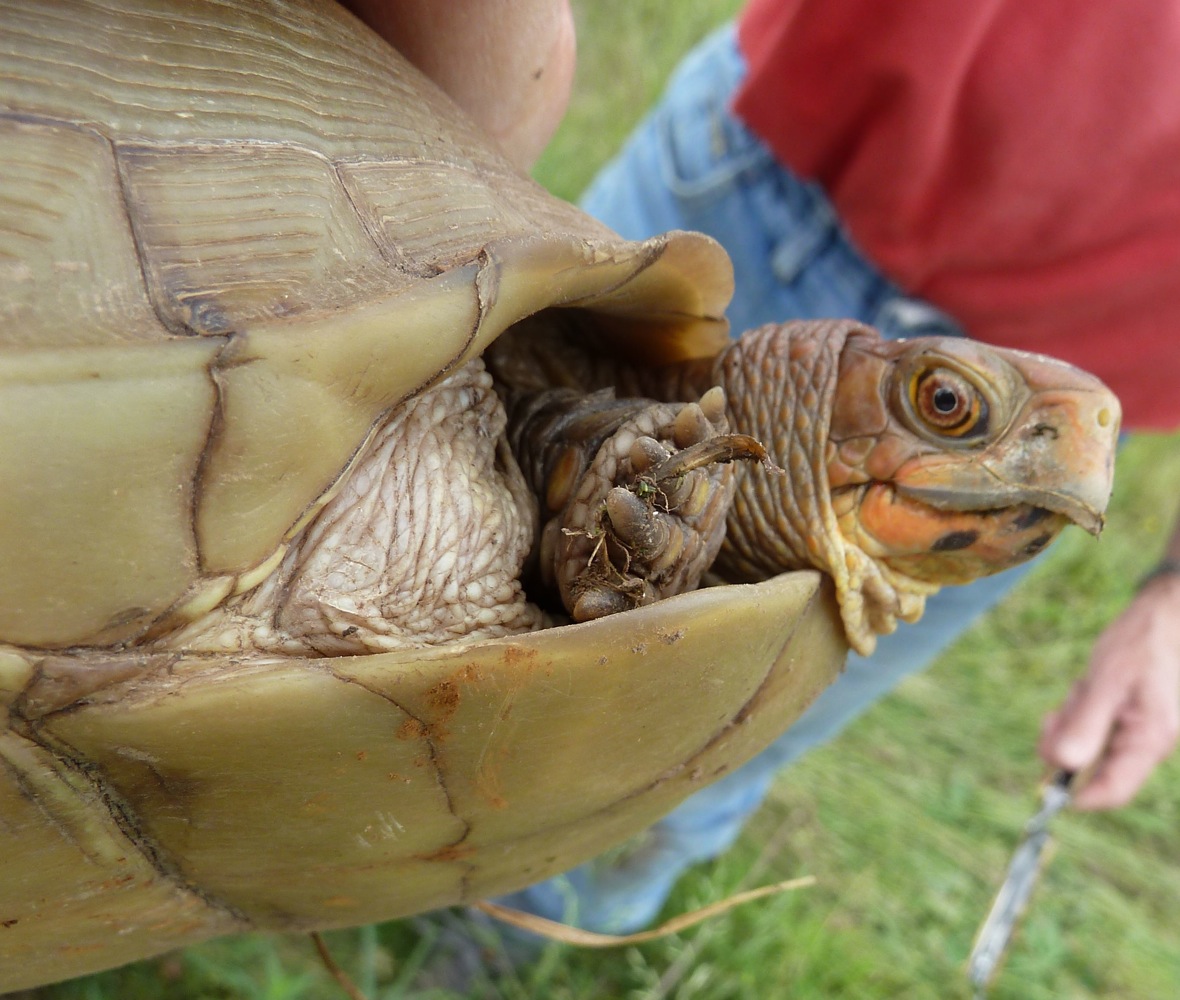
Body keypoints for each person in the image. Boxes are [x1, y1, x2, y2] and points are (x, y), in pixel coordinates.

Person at [350, 0, 1180, 935]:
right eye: (949, 408)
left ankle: (511, 938)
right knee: (473, 470)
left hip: (1107, 341)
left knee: (693, 763)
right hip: (771, 168)